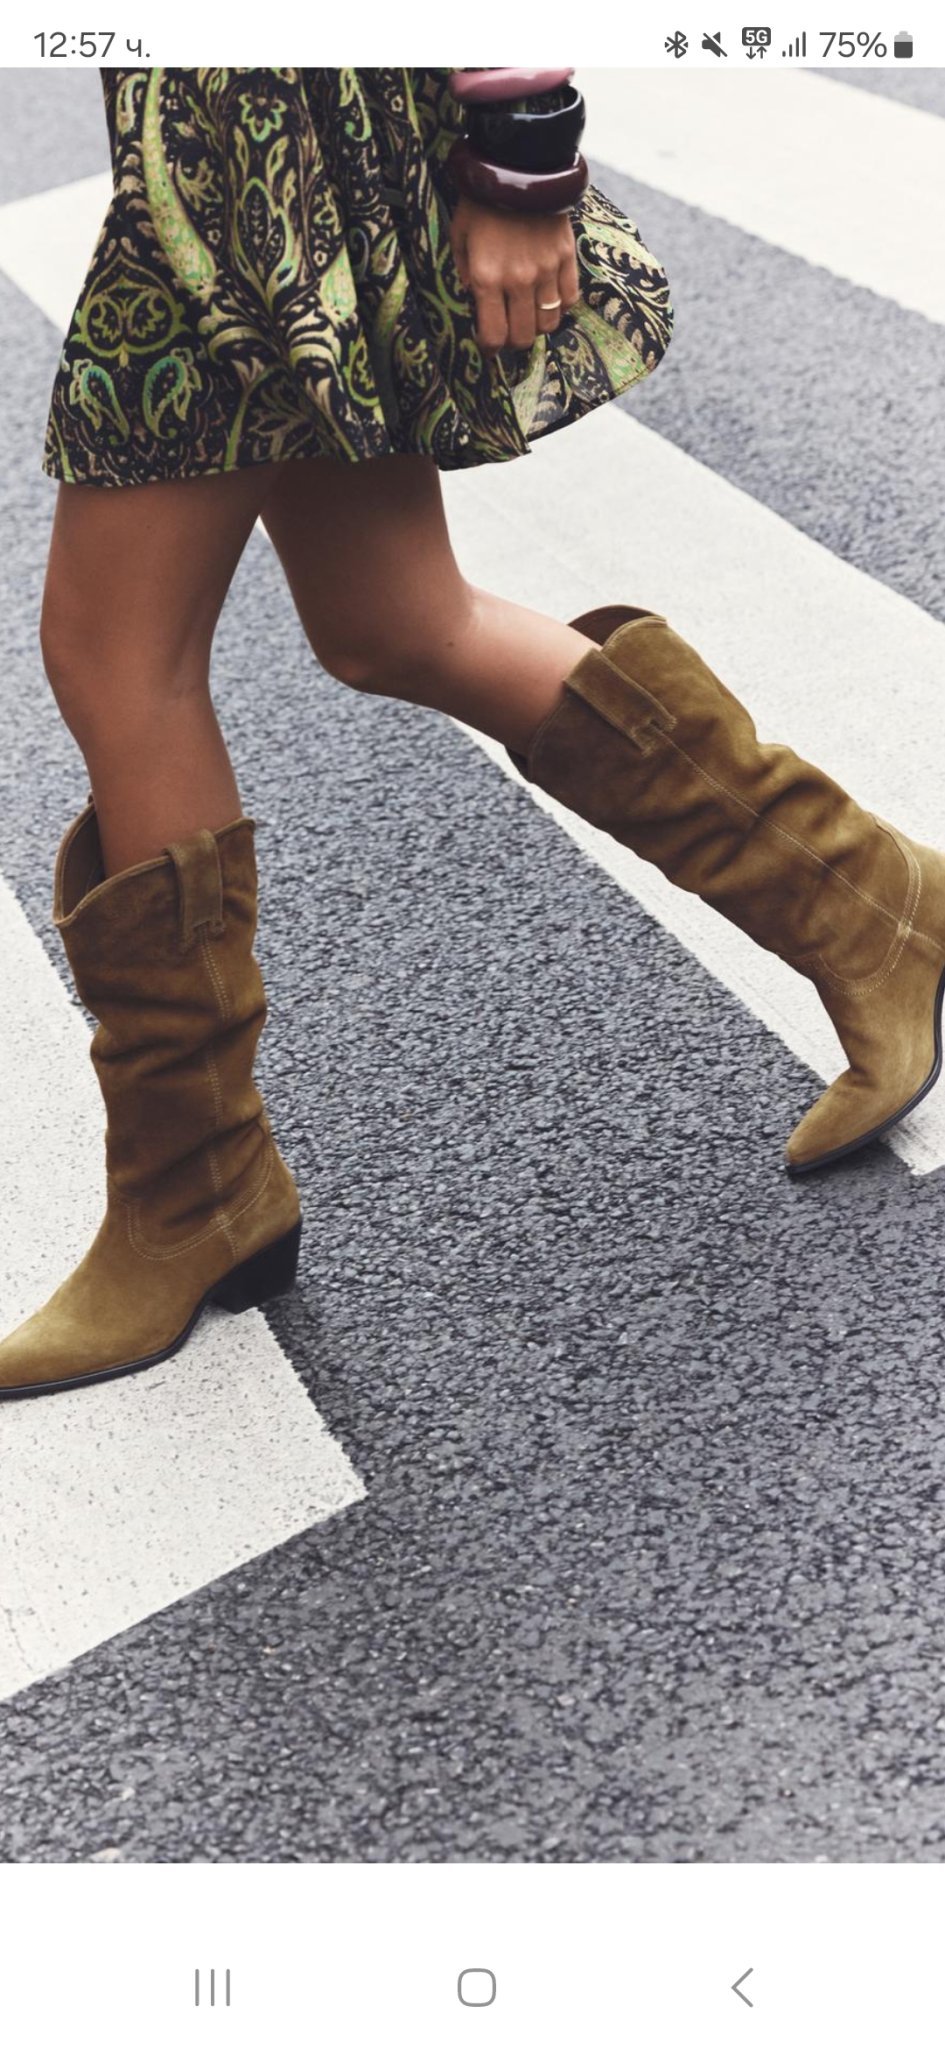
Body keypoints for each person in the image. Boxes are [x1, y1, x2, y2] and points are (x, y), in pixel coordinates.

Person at [2, 66, 943, 1399]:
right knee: (394, 619)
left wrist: (523, 154)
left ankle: (190, 1195)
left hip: (264, 162)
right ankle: (867, 900)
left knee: (118, 657)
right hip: (245, 162)